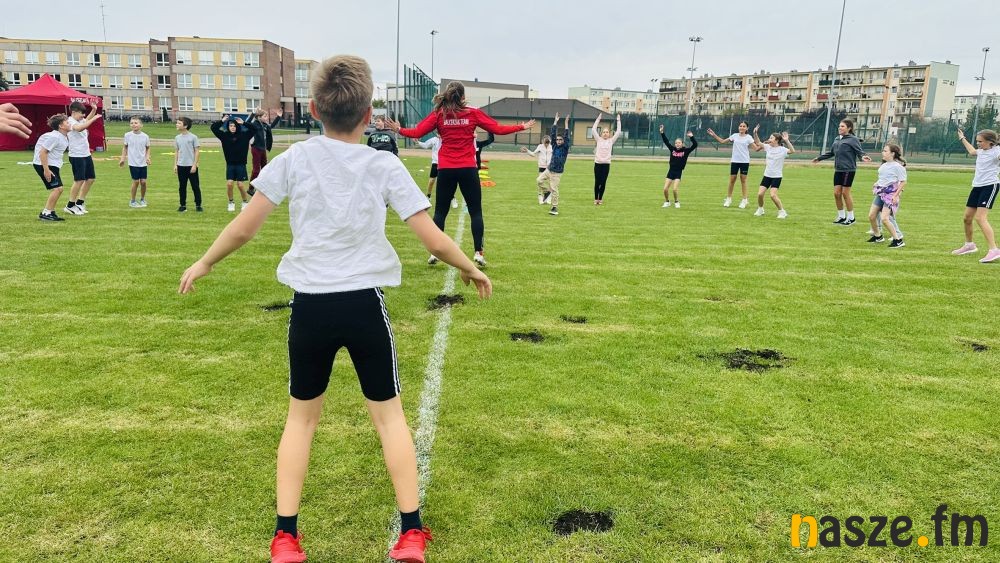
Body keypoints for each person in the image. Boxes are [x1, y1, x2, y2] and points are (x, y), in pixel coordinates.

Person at [178, 55, 491, 563]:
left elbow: (245, 227)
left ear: (314, 110)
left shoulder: (295, 159)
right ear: (368, 114)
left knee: (301, 421)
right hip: (364, 306)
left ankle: (286, 538)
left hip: (311, 310)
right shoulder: (383, 164)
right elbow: (432, 239)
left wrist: (205, 261)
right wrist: (470, 268)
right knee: (389, 419)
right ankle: (411, 533)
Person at [386, 80, 534, 266]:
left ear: (447, 95)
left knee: (440, 212)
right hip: (467, 168)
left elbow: (417, 132)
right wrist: (521, 126)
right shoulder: (472, 113)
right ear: (463, 96)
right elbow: (497, 128)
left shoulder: (439, 114)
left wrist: (399, 129)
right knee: (475, 212)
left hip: (446, 169)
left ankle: (435, 253)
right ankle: (479, 253)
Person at [812, 118, 872, 225]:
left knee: (845, 193)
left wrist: (863, 157)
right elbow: (832, 153)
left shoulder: (853, 139)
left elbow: (860, 152)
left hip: (848, 170)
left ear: (849, 128)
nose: (840, 128)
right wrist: (819, 158)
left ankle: (851, 218)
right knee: (836, 193)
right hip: (838, 170)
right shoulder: (837, 139)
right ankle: (841, 216)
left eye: (842, 126)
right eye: (839, 126)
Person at [954, 128, 1000, 263]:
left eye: (980, 141)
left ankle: (994, 250)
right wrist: (962, 138)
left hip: (990, 186)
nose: (978, 144)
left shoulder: (996, 152)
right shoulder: (980, 152)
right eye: (977, 141)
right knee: (967, 218)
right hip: (977, 187)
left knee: (980, 218)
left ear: (990, 142)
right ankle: (969, 245)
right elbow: (972, 151)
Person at [64, 101, 102, 216]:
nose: (83, 116)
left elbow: (85, 121)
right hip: (76, 156)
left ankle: (80, 203)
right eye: (81, 113)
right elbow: (80, 128)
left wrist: (94, 110)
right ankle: (70, 205)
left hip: (86, 154)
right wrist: (94, 119)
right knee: (79, 180)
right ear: (74, 112)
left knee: (90, 179)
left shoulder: (79, 120)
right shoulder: (70, 122)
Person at [866, 144, 908, 248]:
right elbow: (883, 179)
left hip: (890, 195)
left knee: (885, 219)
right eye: (883, 151)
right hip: (881, 193)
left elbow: (903, 182)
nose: (883, 153)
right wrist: (876, 184)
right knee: (871, 216)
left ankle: (898, 240)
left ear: (892, 153)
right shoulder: (883, 165)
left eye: (885, 151)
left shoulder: (898, 167)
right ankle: (878, 236)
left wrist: (896, 195)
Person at [211, 115, 255, 212]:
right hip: (230, 164)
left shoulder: (245, 135)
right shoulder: (224, 136)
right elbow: (213, 128)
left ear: (237, 126)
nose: (232, 127)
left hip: (241, 164)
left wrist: (244, 123)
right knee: (229, 183)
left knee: (240, 185)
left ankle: (245, 202)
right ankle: (231, 202)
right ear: (228, 127)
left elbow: (254, 129)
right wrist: (222, 121)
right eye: (230, 126)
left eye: (234, 126)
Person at [706, 122, 754, 208]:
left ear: (747, 128)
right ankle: (728, 199)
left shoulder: (749, 137)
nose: (742, 127)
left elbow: (756, 148)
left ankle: (744, 200)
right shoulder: (734, 136)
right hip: (735, 161)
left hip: (744, 161)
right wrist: (714, 135)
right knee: (732, 180)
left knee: (743, 180)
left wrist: (765, 145)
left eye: (744, 126)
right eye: (740, 126)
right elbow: (722, 141)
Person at [33, 113, 71, 221]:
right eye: (67, 122)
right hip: (44, 164)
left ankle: (50, 211)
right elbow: (43, 152)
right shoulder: (54, 137)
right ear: (61, 126)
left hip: (52, 165)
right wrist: (46, 170)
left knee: (58, 189)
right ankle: (46, 213)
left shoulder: (62, 136)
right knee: (57, 189)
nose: (69, 123)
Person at [750, 125, 793, 219]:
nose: (769, 139)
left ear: (776, 140)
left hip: (776, 176)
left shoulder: (782, 150)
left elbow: (792, 151)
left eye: (771, 138)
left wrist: (787, 140)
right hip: (767, 175)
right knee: (760, 194)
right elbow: (757, 142)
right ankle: (760, 209)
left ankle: (782, 212)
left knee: (773, 195)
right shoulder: (767, 147)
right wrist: (755, 133)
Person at [538, 113, 571, 216]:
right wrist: (555, 121)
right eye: (557, 139)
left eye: (560, 140)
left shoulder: (565, 148)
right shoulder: (554, 145)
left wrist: (566, 123)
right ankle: (546, 192)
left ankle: (554, 208)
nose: (558, 141)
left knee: (554, 189)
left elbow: (567, 136)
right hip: (549, 169)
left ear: (563, 141)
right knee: (539, 181)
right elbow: (552, 133)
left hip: (557, 173)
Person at [659, 125, 696, 208]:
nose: (677, 144)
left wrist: (691, 137)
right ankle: (667, 202)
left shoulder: (686, 151)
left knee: (674, 189)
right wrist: (662, 132)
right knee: (665, 189)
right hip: (671, 171)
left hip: (678, 172)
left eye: (679, 143)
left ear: (682, 143)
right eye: (676, 143)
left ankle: (676, 201)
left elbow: (695, 145)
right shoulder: (672, 149)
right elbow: (666, 141)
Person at [119, 117, 151, 208]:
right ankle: (132, 200)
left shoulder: (145, 136)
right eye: (131, 123)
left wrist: (147, 157)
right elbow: (125, 147)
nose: (133, 124)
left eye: (136, 123)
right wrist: (122, 159)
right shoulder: (127, 135)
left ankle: (142, 199)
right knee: (136, 181)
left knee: (143, 182)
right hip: (133, 163)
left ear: (141, 125)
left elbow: (148, 148)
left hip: (142, 163)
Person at [247, 107, 284, 187]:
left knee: (265, 169)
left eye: (266, 116)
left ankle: (263, 186)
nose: (266, 118)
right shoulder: (255, 124)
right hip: (256, 149)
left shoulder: (265, 125)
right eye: (265, 116)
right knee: (256, 170)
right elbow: (247, 123)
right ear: (259, 117)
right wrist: (253, 113)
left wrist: (278, 116)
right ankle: (251, 187)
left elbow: (272, 126)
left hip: (263, 149)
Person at [174, 116, 203, 212]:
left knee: (195, 186)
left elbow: (197, 151)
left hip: (191, 166)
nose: (177, 124)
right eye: (177, 123)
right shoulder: (177, 138)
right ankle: (183, 205)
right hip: (181, 166)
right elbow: (177, 151)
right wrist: (175, 165)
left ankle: (198, 205)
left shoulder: (193, 137)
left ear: (185, 126)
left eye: (179, 123)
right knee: (182, 186)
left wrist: (194, 165)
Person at [591, 113, 621, 205]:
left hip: (606, 165)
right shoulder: (599, 140)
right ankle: (596, 198)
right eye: (604, 132)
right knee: (597, 182)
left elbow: (618, 132)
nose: (605, 133)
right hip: (598, 164)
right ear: (601, 134)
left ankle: (600, 199)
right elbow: (593, 129)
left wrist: (618, 120)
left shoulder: (611, 141)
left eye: (607, 132)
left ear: (609, 134)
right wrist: (598, 119)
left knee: (603, 182)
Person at [520, 136, 552, 204]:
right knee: (539, 182)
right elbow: (533, 154)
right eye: (545, 142)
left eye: (548, 142)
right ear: (542, 141)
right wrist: (527, 151)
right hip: (542, 167)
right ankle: (541, 196)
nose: (546, 143)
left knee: (550, 183)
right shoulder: (540, 146)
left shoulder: (552, 147)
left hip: (550, 167)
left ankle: (549, 198)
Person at [416, 134, 441, 198]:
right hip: (435, 162)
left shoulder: (447, 139)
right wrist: (417, 142)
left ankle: (452, 197)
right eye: (438, 133)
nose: (439, 135)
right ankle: (428, 196)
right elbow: (425, 145)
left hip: (444, 163)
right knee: (431, 181)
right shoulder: (434, 140)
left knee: (446, 181)